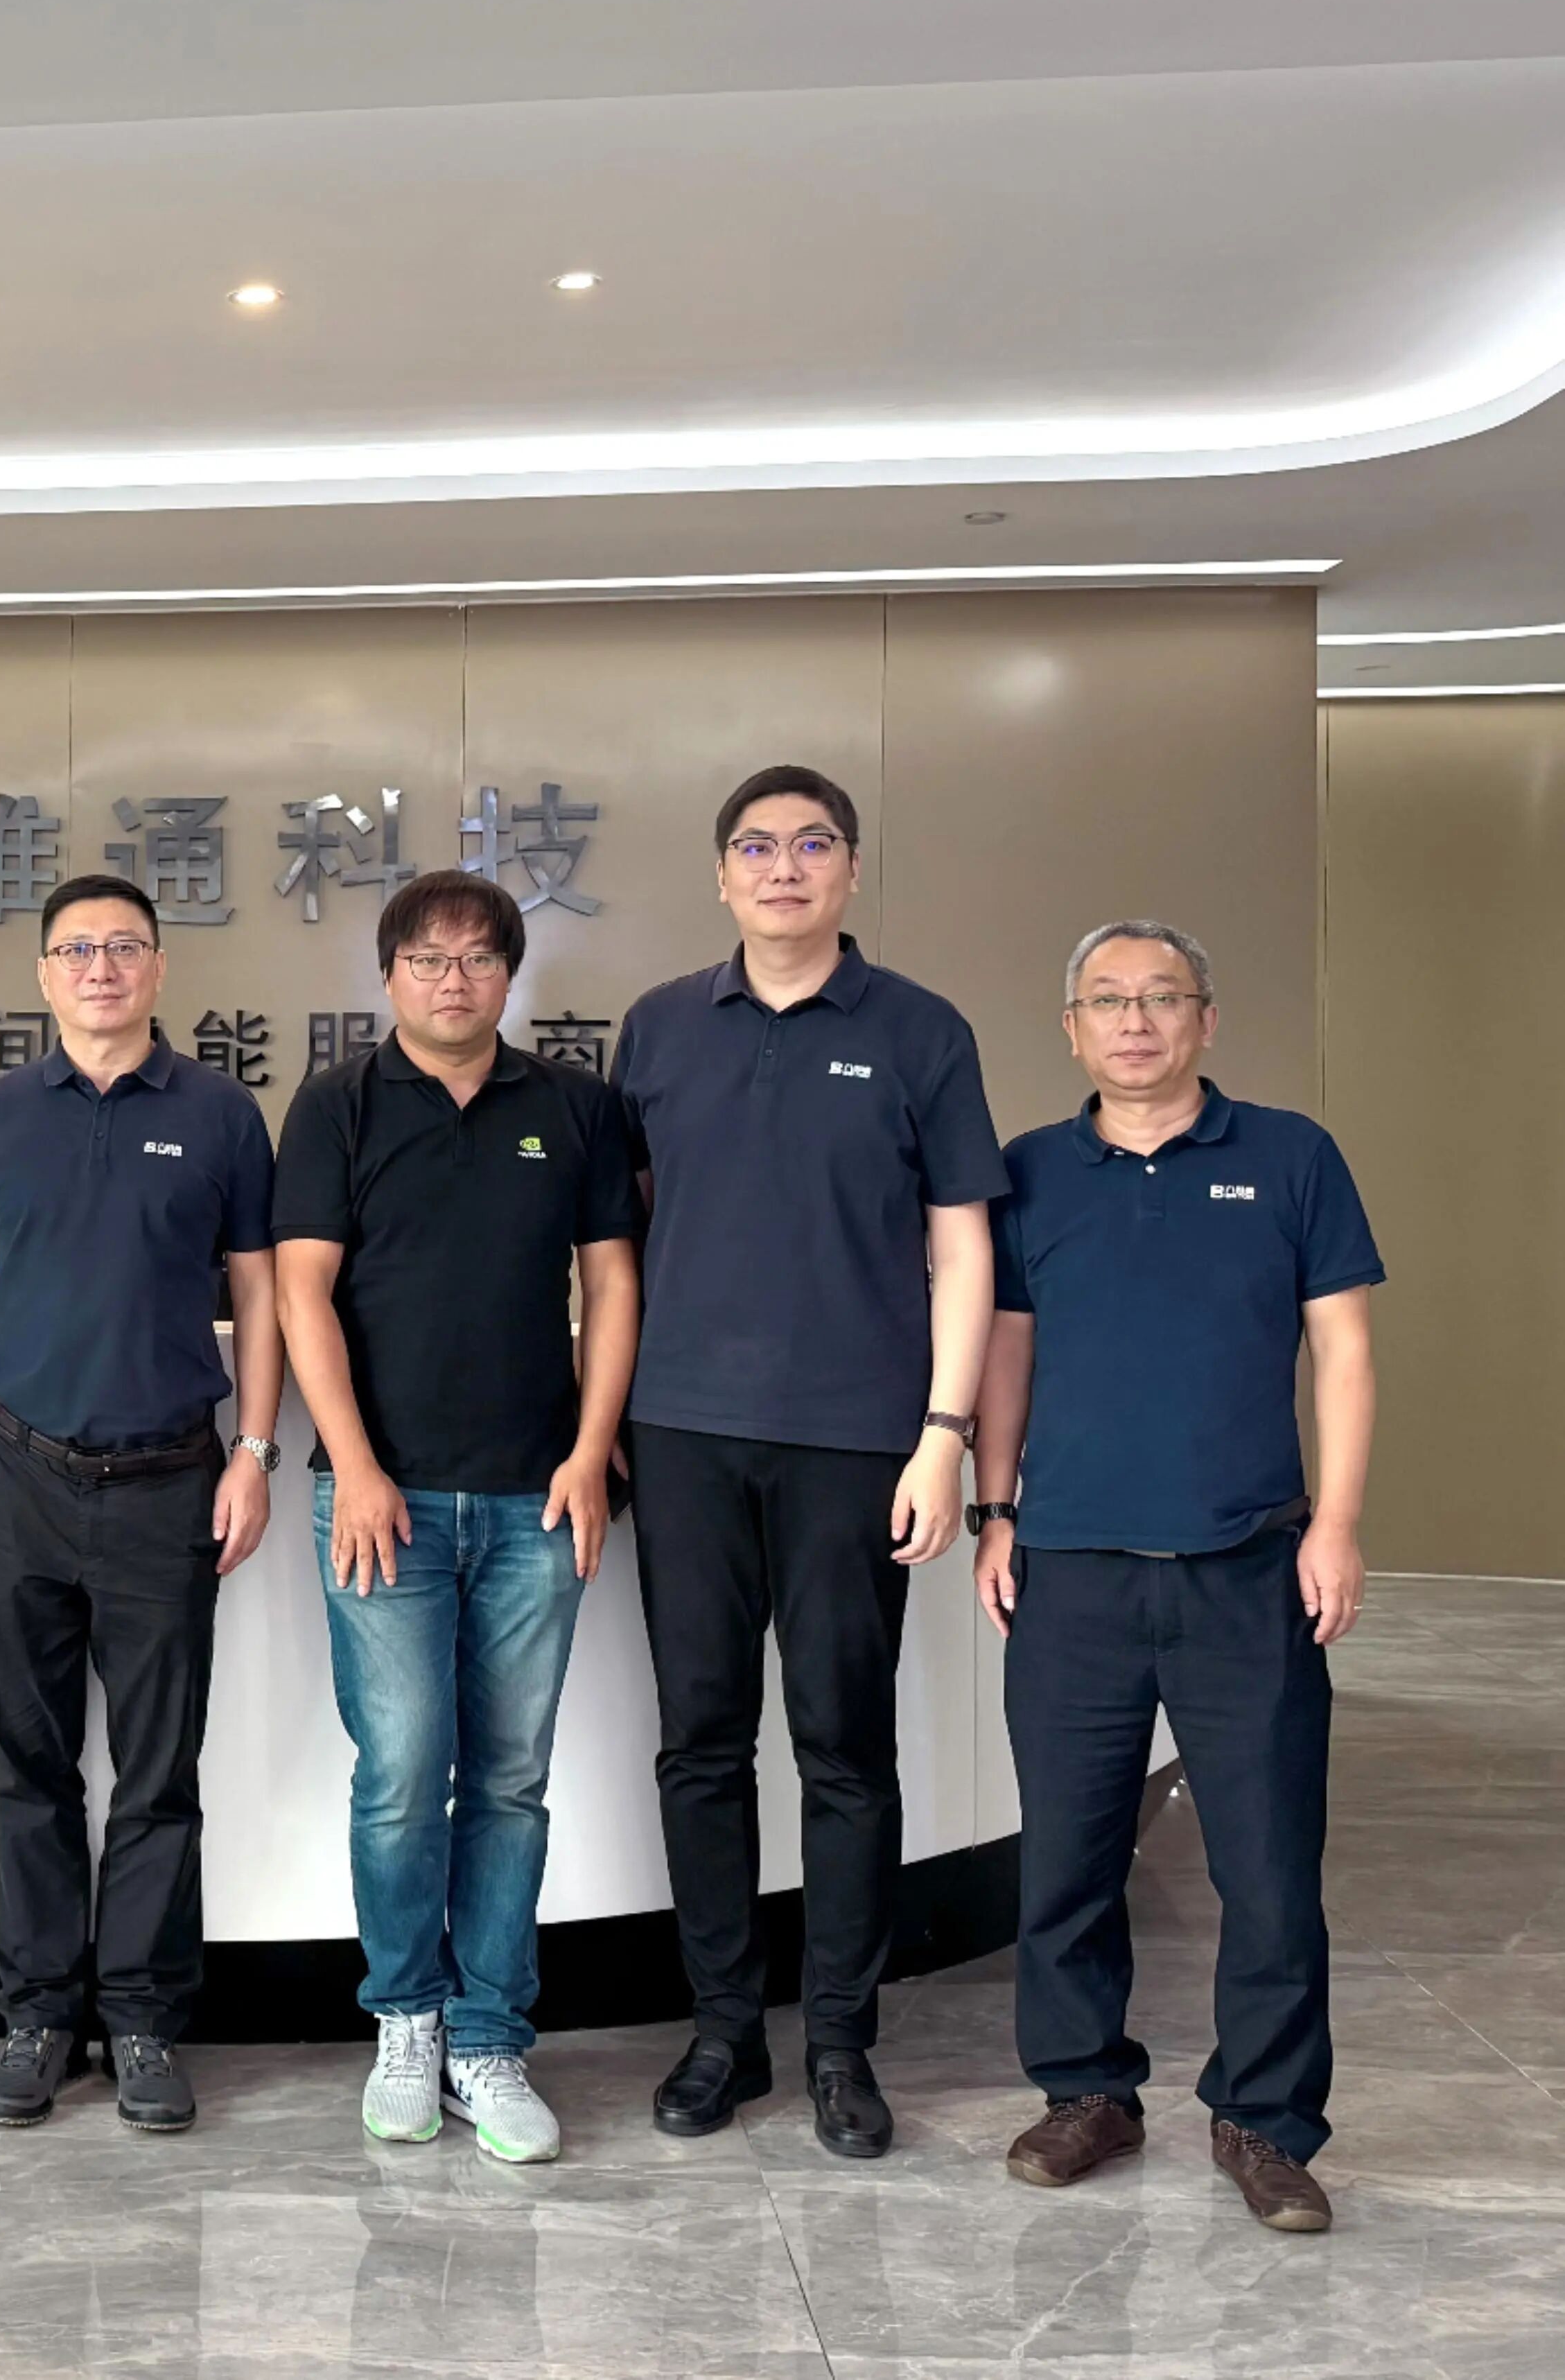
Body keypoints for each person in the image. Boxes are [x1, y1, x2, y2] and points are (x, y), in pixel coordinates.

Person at [611, 765, 1004, 2158]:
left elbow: (963, 1245)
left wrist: (944, 1435)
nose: (784, 867)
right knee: (700, 1743)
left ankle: (840, 2039)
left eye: (812, 843)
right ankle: (723, 2028)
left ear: (849, 869)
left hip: (855, 1440)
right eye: (757, 846)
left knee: (843, 1745)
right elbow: (620, 1240)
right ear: (721, 875)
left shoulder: (918, 1029)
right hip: (682, 1435)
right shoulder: (660, 1026)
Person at [974, 920, 1380, 2232]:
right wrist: (996, 1511)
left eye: (1162, 997)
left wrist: (1338, 1522)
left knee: (1269, 1868)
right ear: (1071, 1026)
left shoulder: (1292, 1156)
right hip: (1072, 1569)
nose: (1136, 1020)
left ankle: (1266, 2118)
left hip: (1249, 1567)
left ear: (1207, 1017)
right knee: (1068, 1858)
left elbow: (1344, 1351)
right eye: (1109, 999)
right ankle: (1086, 2089)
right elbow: (1006, 1354)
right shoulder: (1032, 1171)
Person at [275, 869, 640, 2160]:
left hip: (538, 1499)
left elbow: (612, 1284)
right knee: (399, 1775)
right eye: (427, 957)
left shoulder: (575, 1106)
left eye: (480, 957)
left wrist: (590, 1454)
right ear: (388, 975)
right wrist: (357, 1465)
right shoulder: (336, 1104)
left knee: (510, 1780)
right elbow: (302, 1294)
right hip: (383, 1501)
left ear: (509, 975)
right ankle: (406, 2019)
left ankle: (488, 2036)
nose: (453, 978)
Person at [0, 871, 283, 2133]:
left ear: (159, 969)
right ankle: (36, 2014)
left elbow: (261, 1289)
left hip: (169, 1479)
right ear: (43, 975)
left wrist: (255, 1451)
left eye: (124, 946)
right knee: (28, 1765)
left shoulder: (222, 1113)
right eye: (76, 949)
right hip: (17, 1471)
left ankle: (140, 2020)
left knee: (157, 1771)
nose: (100, 967)